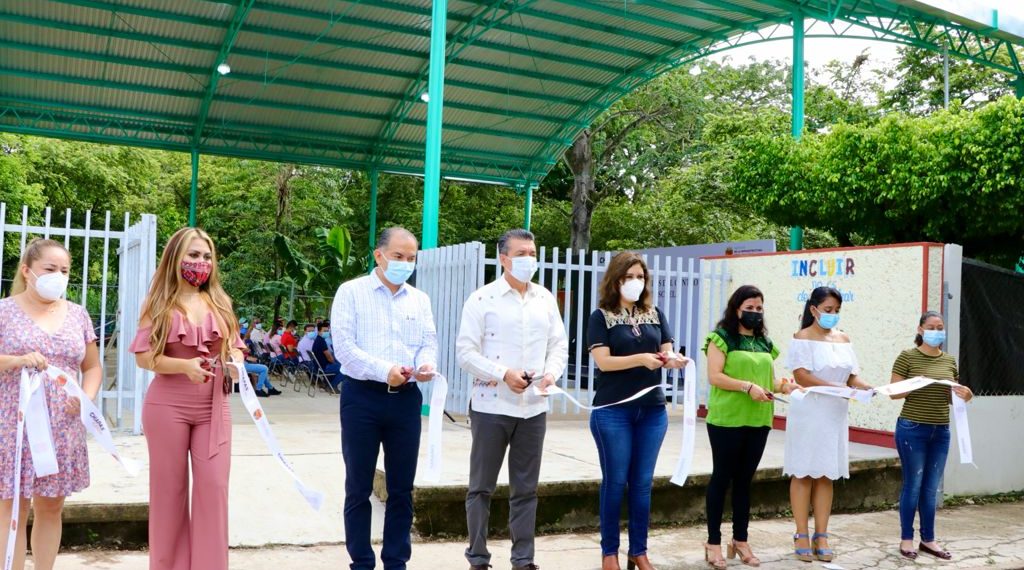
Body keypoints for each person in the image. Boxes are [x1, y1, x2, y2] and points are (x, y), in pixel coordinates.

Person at [130, 227, 244, 570]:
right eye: (193, 255)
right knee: (169, 494)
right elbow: (143, 358)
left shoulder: (221, 302)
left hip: (214, 408)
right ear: (175, 258)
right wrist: (183, 366)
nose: (201, 262)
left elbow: (236, 347)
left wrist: (235, 362)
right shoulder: (157, 303)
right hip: (167, 406)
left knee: (214, 488)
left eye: (207, 256)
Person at [456, 229, 569, 570]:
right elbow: (465, 353)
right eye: (521, 254)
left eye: (532, 253)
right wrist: (503, 373)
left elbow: (558, 345)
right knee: (481, 487)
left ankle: (523, 559)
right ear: (503, 258)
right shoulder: (482, 299)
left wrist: (551, 374)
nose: (528, 260)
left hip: (533, 408)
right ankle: (478, 557)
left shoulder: (544, 299)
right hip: (491, 407)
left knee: (526, 489)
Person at [331, 227, 437, 570]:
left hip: (406, 400)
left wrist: (426, 364)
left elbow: (428, 341)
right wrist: (384, 370)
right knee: (358, 486)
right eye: (398, 256)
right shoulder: (351, 293)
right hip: (362, 398)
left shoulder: (419, 300)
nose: (405, 263)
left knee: (402, 488)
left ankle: (396, 560)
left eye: (411, 258)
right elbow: (345, 349)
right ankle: (361, 561)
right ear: (379, 255)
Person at [0, 238, 101, 570]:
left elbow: (92, 367)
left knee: (51, 505)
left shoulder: (78, 315)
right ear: (27, 271)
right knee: (12, 506)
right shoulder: (4, 311)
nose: (59, 276)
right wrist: (16, 361)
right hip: (14, 424)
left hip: (62, 425)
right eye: (50, 268)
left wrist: (85, 399)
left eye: (65, 270)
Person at [586, 252, 689, 570]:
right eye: (629, 277)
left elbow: (666, 351)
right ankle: (609, 553)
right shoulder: (600, 317)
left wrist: (673, 360)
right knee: (615, 482)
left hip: (652, 411)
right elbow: (604, 362)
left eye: (640, 277)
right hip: (613, 410)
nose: (635, 282)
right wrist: (642, 359)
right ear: (615, 280)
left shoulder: (655, 314)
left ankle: (638, 551)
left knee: (642, 484)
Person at [702, 285, 800, 569]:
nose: (755, 313)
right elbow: (715, 376)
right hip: (727, 419)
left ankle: (740, 540)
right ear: (736, 309)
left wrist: (784, 386)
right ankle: (713, 542)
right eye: (749, 308)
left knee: (745, 481)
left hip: (759, 420)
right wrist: (747, 387)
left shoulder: (764, 343)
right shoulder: (721, 338)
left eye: (759, 308)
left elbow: (768, 381)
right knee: (722, 479)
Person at [784, 287, 874, 563]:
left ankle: (821, 535)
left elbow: (852, 377)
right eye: (828, 310)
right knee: (804, 472)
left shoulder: (844, 339)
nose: (833, 315)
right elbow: (801, 375)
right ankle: (801, 533)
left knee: (826, 473)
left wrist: (865, 387)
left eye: (837, 311)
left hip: (835, 413)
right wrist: (836, 388)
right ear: (813, 310)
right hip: (809, 411)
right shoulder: (801, 337)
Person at [889, 311, 972, 561]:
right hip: (912, 429)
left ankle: (928, 539)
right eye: (932, 327)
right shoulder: (907, 356)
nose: (937, 331)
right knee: (913, 485)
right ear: (920, 330)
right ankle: (906, 538)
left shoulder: (949, 360)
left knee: (931, 488)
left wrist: (965, 395)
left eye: (940, 327)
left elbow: (951, 396)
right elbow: (893, 392)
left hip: (940, 430)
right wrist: (917, 382)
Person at [312, 322, 341, 389]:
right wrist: (334, 363)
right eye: (324, 331)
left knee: (337, 366)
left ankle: (326, 383)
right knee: (343, 369)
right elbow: (329, 358)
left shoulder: (317, 339)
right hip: (323, 367)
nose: (327, 333)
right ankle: (332, 386)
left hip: (318, 366)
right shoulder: (321, 341)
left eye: (327, 331)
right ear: (319, 331)